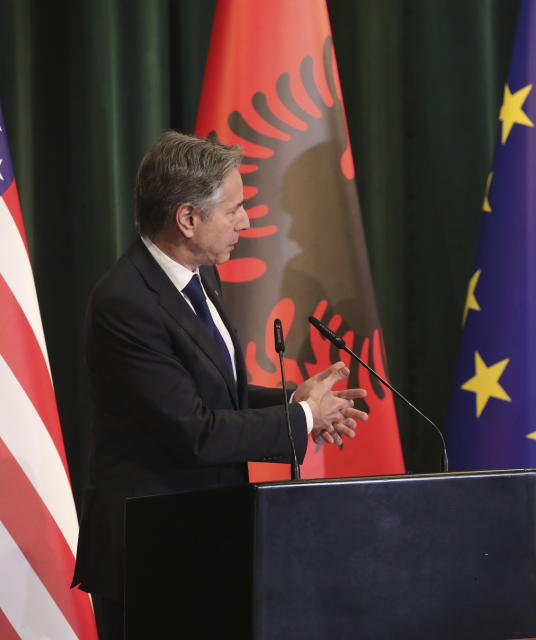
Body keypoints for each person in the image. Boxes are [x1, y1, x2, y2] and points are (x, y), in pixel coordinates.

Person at [71, 131, 368, 639]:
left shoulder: (200, 276)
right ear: (188, 219)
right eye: (233, 210)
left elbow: (212, 393)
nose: (246, 222)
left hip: (205, 535)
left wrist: (295, 402)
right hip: (152, 552)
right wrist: (299, 421)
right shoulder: (128, 301)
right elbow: (195, 432)